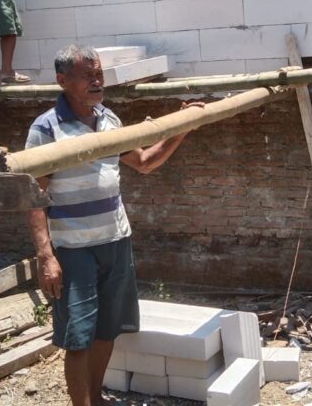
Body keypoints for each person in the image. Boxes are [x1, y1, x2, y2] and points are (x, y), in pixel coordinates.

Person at [24, 45, 202, 406]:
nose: (97, 80)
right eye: (87, 75)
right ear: (62, 81)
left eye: (99, 72)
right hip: (73, 249)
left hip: (115, 240)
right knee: (78, 336)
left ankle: (95, 396)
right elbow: (32, 196)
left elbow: (146, 162)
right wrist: (46, 255)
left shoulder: (109, 120)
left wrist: (181, 128)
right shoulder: (46, 128)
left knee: (106, 330)